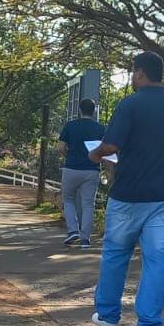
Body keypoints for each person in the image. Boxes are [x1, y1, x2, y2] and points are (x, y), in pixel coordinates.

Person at [88, 51, 164, 326]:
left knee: (116, 254)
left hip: (128, 195)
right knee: (157, 260)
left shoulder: (130, 105)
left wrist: (95, 153)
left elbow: (111, 145)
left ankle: (108, 316)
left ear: (140, 73)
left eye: (133, 72)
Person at [58, 98, 107, 247]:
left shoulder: (70, 126)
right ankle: (86, 239)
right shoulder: (100, 128)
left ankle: (73, 230)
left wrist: (70, 156)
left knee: (68, 199)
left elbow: (60, 147)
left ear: (80, 110)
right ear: (94, 111)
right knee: (88, 204)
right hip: (92, 169)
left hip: (72, 168)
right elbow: (106, 149)